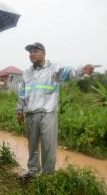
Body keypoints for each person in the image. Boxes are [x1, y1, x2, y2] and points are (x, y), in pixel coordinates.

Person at [16, 42, 95, 182]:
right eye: (30, 52)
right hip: (30, 114)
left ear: (44, 53)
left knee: (48, 145)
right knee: (32, 144)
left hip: (48, 113)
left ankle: (47, 176)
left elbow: (69, 72)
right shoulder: (26, 73)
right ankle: (33, 172)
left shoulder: (54, 68)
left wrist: (82, 70)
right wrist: (20, 110)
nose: (32, 54)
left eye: (36, 51)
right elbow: (22, 93)